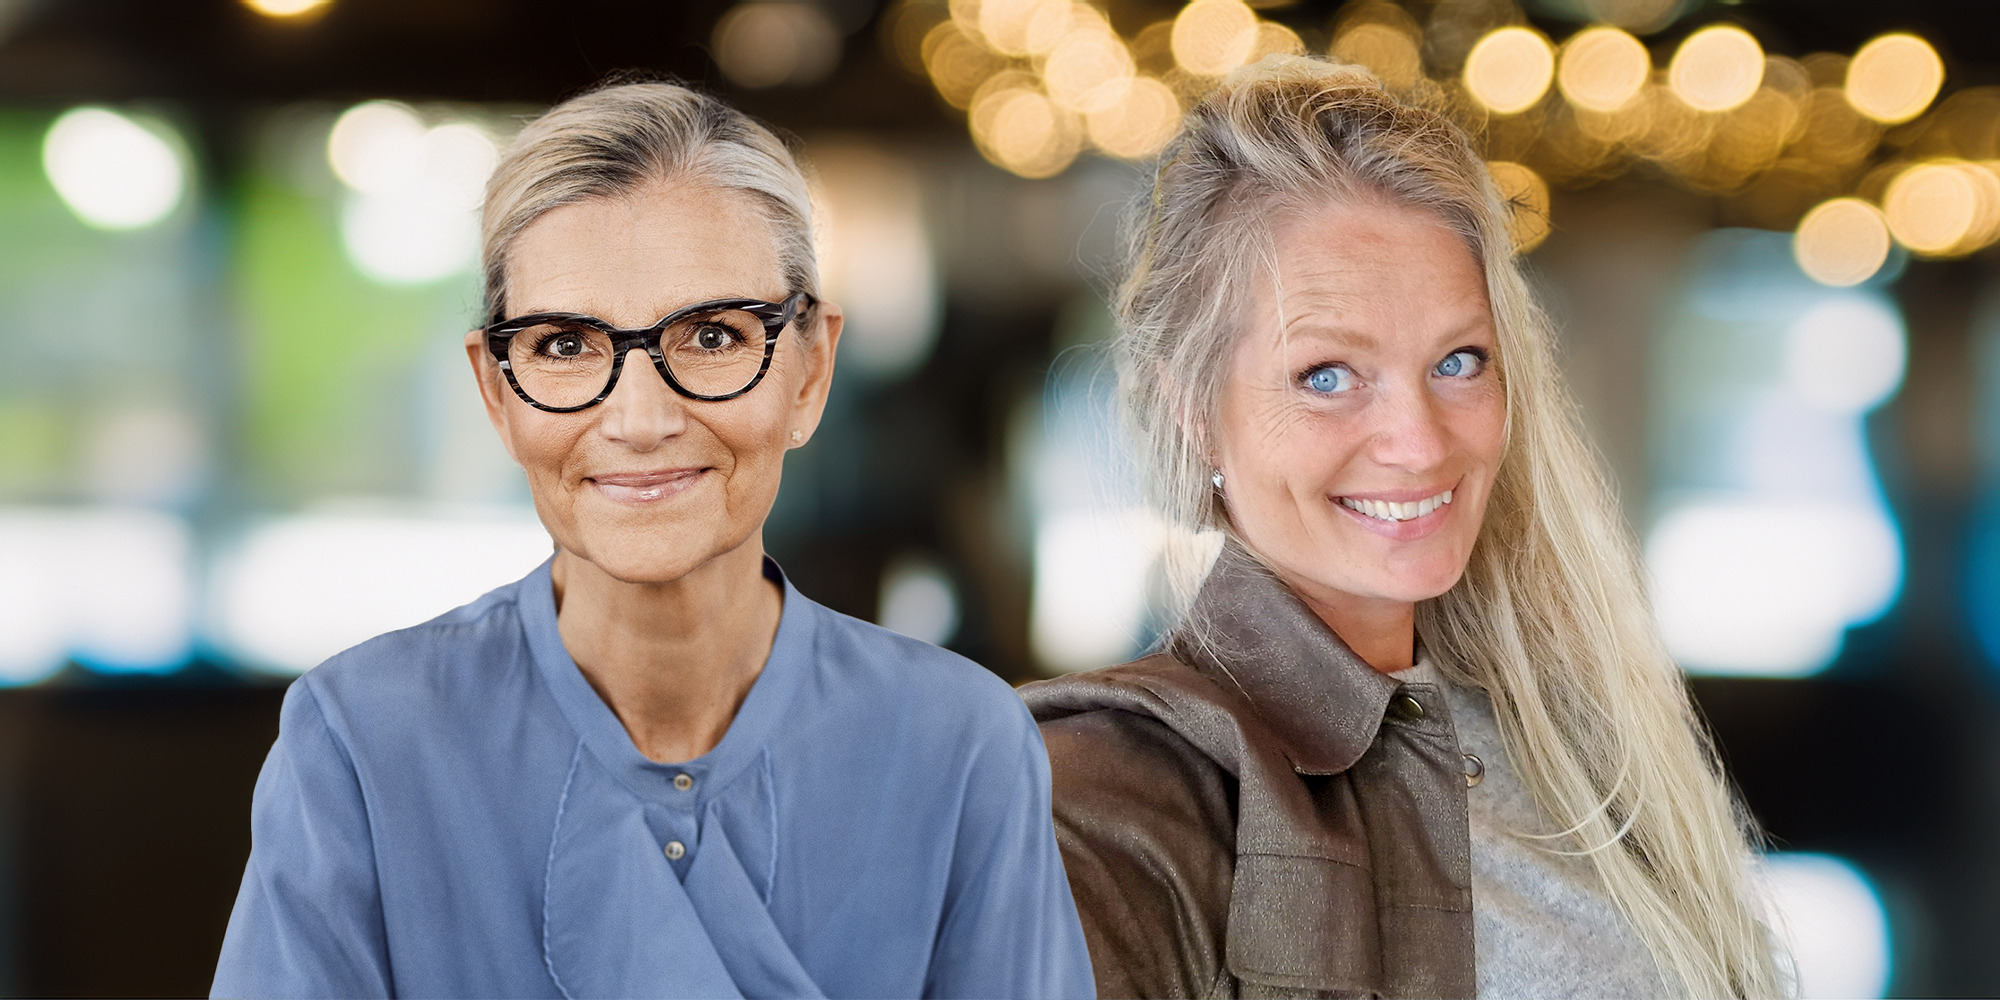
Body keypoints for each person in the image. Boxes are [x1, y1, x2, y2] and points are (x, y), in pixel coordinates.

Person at [213, 80, 1093, 999]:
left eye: (712, 335)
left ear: (810, 372)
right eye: (564, 345)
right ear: (495, 392)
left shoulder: (958, 744)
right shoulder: (363, 742)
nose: (639, 418)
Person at [1021, 56, 1784, 999]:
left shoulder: (1573, 742)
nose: (1419, 443)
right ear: (1193, 410)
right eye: (1328, 376)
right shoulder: (1104, 796)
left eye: (1459, 361)